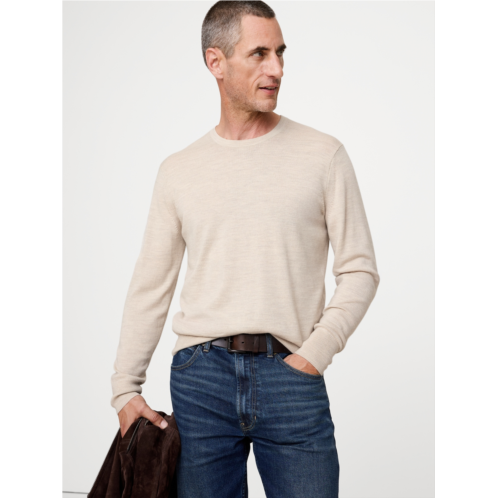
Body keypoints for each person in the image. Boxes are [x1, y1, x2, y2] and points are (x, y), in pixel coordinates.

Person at [111, 1, 380, 496]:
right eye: (259, 53)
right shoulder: (179, 170)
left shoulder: (323, 155)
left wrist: (314, 355)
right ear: (216, 62)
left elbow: (360, 270)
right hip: (200, 379)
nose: (276, 68)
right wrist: (125, 388)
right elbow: (151, 285)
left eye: (280, 53)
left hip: (292, 375)